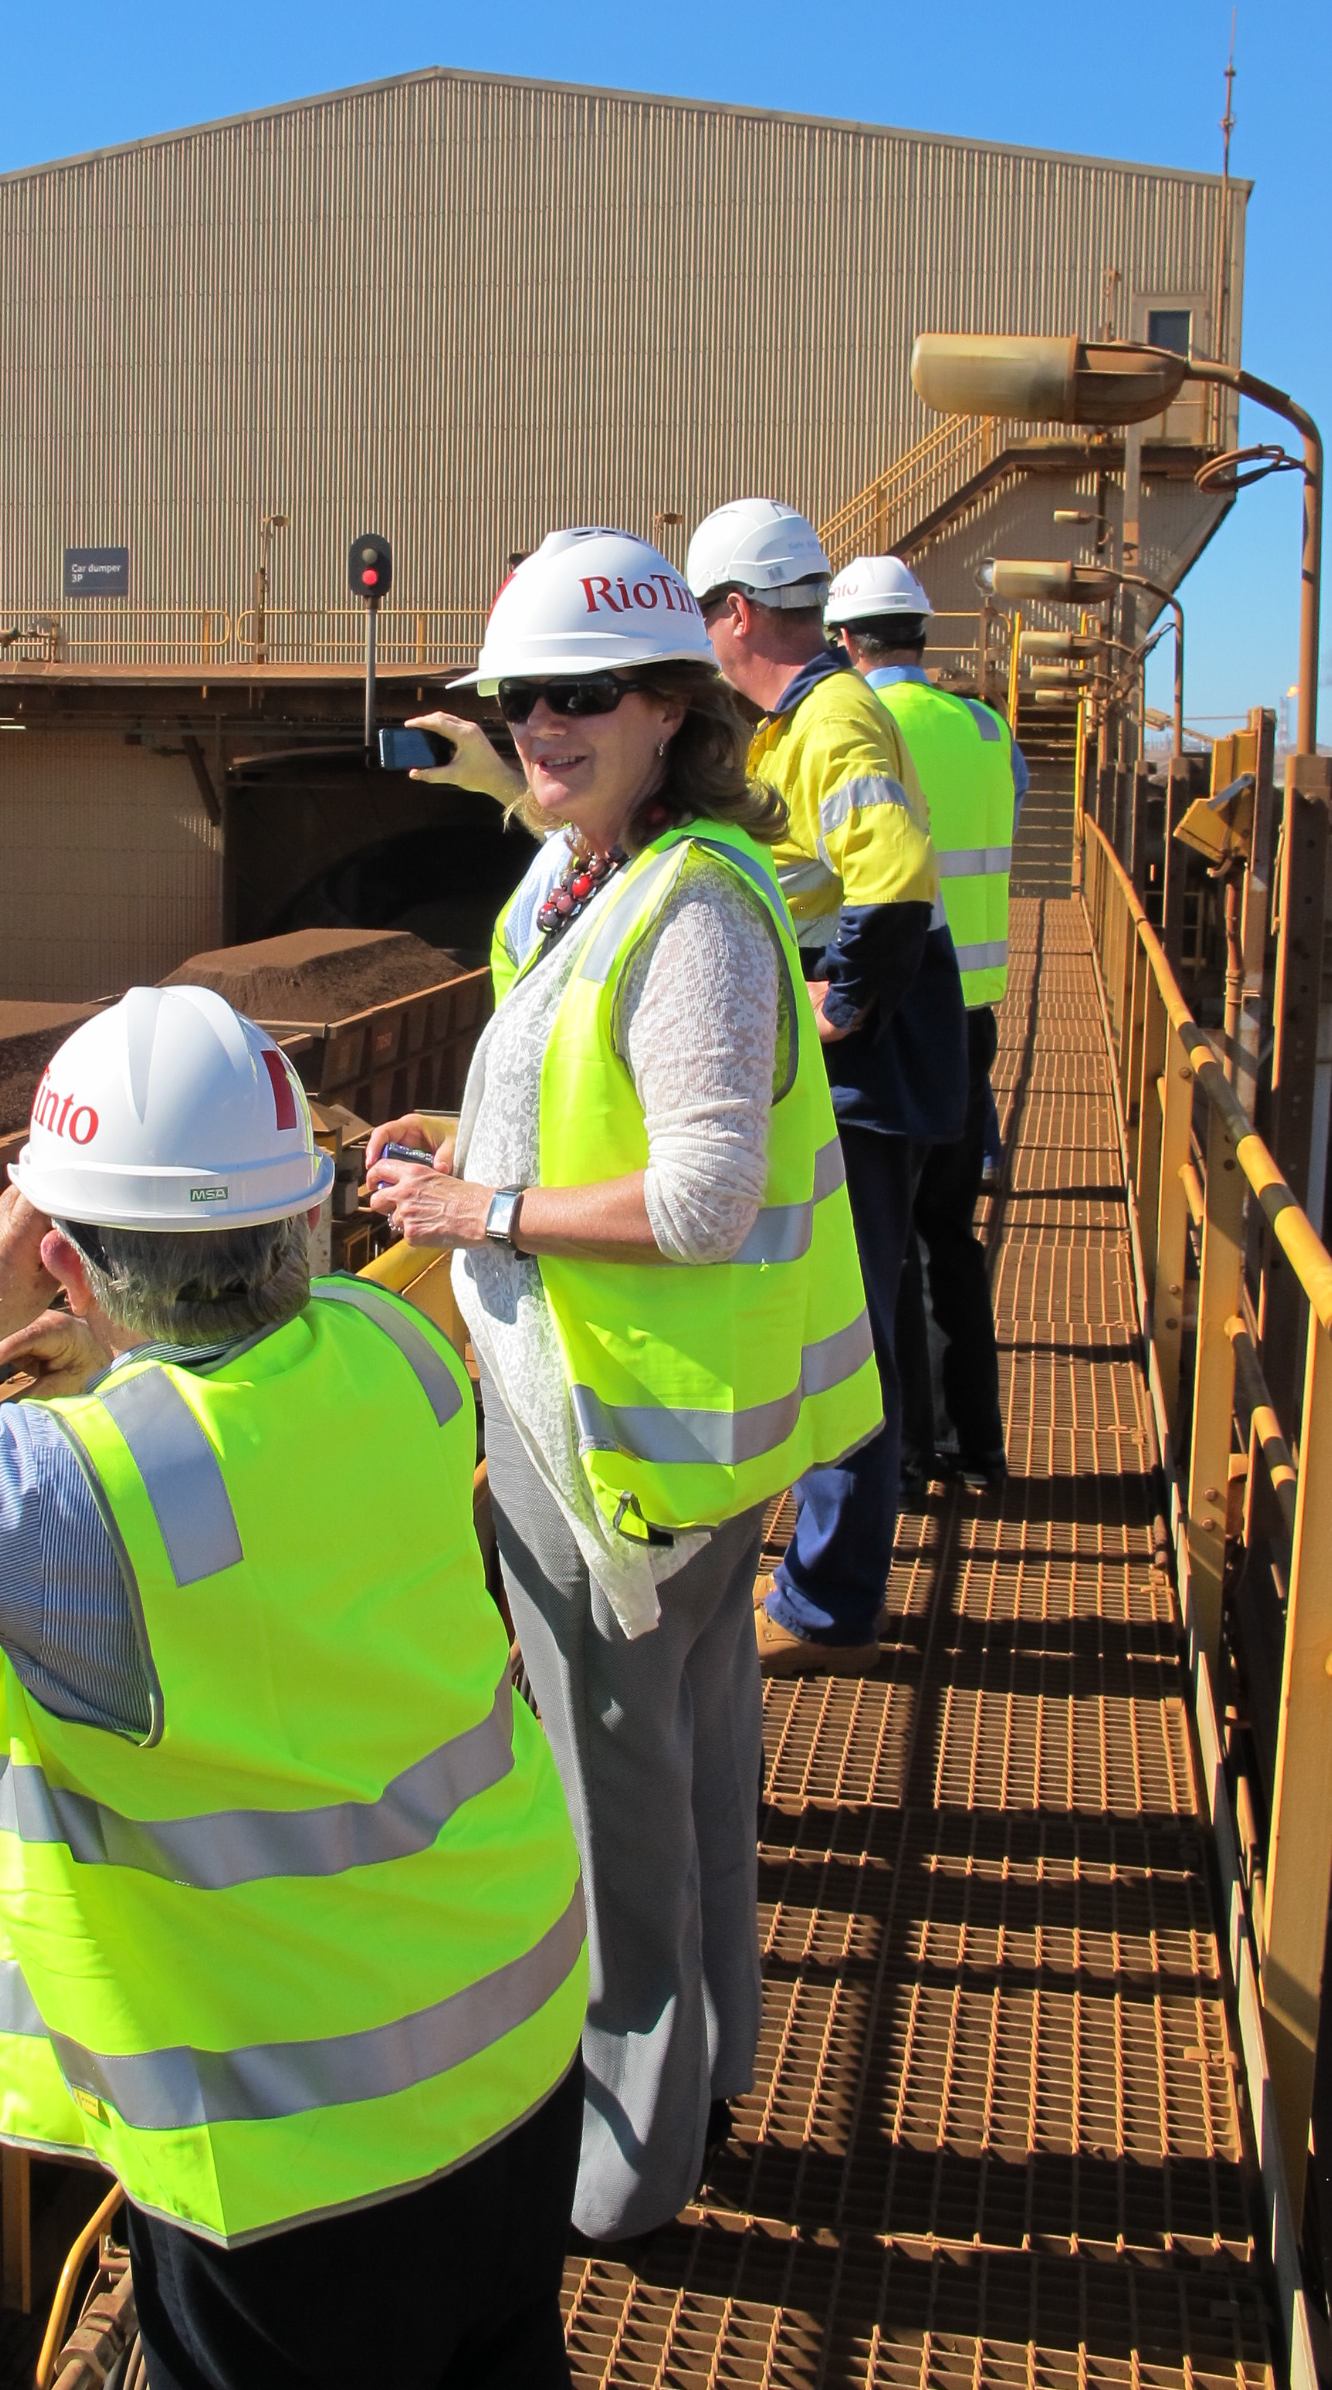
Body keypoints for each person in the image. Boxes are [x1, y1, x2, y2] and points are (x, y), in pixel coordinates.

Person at [0, 987, 587, 2390]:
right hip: (515, 2035)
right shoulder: (394, 1348)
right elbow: (258, 1358)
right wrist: (120, 1337)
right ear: (310, 1229)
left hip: (294, 2150)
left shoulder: (75, 1492)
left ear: (66, 1270)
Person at [366, 525, 881, 2248]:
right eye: (520, 702)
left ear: (673, 701)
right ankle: (709, 2076)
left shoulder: (694, 915)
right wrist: (461, 1148)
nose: (541, 730)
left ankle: (627, 2163)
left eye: (580, 697)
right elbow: (592, 1102)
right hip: (656, 1437)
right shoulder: (592, 868)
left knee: (615, 1813)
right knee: (695, 1761)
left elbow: (697, 1199)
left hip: (621, 1454)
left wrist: (477, 1211)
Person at [681, 498, 966, 1678]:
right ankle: (826, 1579)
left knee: (850, 1340)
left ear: (736, 612)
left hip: (868, 1065)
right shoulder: (790, 718)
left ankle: (830, 1602)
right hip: (871, 1061)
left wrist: (840, 1005)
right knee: (852, 1325)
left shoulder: (832, 715)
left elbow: (890, 877)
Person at [825, 555, 1025, 1490]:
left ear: (842, 639)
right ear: (922, 633)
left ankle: (901, 1450)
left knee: (883, 1244)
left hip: (887, 1015)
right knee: (951, 1231)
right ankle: (976, 1444)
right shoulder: (988, 727)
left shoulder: (849, 729)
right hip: (975, 1014)